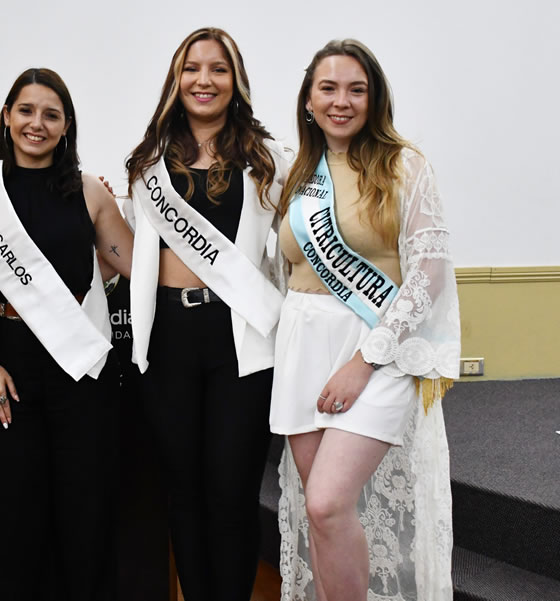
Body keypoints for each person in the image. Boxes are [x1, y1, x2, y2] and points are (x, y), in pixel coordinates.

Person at [270, 39, 460, 601]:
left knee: (328, 501)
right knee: (320, 514)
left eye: (357, 89)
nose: (342, 101)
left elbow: (429, 273)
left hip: (376, 346)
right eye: (328, 88)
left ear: (374, 99)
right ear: (308, 100)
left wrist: (365, 360)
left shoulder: (404, 165)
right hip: (303, 346)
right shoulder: (298, 172)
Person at [0, 67, 133, 601]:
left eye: (51, 114)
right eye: (26, 111)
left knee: (85, 510)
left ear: (66, 125)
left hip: (79, 365)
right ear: (7, 117)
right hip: (5, 365)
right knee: (14, 513)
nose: (37, 123)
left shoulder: (89, 191)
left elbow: (134, 265)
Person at [125, 27, 290, 601]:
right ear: (177, 79)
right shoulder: (148, 163)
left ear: (235, 81)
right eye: (192, 68)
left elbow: (294, 248)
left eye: (218, 69)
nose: (204, 80)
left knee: (232, 491)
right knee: (184, 492)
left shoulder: (268, 160)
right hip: (167, 338)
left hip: (238, 340)